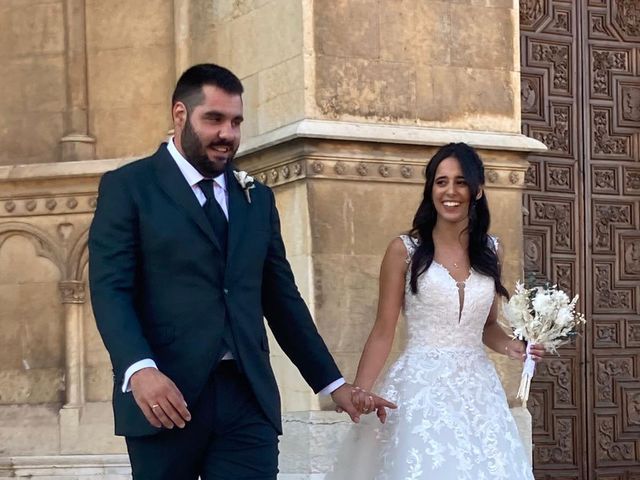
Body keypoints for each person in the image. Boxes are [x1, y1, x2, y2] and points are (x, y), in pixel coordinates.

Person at [88, 63, 395, 480]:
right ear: (180, 115)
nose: (228, 134)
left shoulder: (257, 199)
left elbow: (282, 301)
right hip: (165, 397)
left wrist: (333, 385)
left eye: (235, 121)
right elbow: (111, 290)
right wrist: (140, 370)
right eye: (214, 119)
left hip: (246, 398)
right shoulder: (128, 188)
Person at [327, 142, 545, 479]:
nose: (451, 191)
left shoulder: (492, 250)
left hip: (477, 392)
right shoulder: (405, 250)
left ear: (477, 190)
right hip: (420, 389)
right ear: (430, 189)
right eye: (441, 181)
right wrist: (361, 390)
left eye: (461, 182)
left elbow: (487, 326)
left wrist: (513, 346)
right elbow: (383, 330)